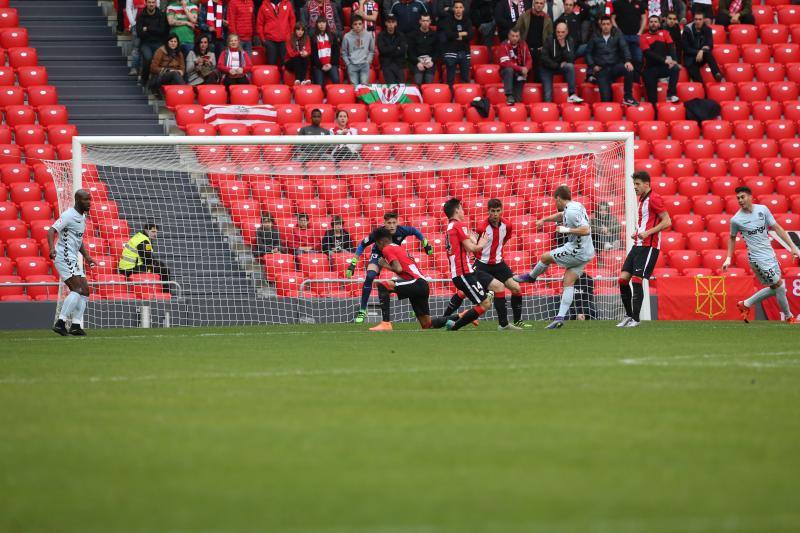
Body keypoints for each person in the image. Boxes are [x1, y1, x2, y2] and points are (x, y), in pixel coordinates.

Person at [514, 185, 596, 330]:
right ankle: (559, 318)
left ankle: (532, 277)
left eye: (554, 200)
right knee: (568, 282)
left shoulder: (570, 212)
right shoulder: (575, 205)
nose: (554, 203)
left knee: (545, 257)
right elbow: (560, 216)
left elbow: (586, 230)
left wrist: (566, 229)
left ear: (558, 198)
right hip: (587, 252)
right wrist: (544, 220)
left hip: (577, 250)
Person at [442, 198, 527, 330]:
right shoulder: (480, 227)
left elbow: (502, 241)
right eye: (493, 211)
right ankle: (445, 319)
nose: (495, 214)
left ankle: (512, 322)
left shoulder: (507, 226)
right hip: (481, 264)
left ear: (502, 211)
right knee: (467, 294)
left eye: (498, 211)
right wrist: (479, 246)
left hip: (498, 263)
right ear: (488, 211)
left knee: (513, 288)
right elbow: (474, 246)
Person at [724, 187, 800, 323]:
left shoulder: (763, 210)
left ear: (750, 197)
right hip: (757, 259)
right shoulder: (736, 220)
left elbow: (777, 228)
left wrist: (792, 247)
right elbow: (732, 238)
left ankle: (745, 304)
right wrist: (728, 258)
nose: (740, 200)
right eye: (738, 198)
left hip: (770, 255)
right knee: (780, 285)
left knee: (775, 288)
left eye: (743, 197)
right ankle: (789, 317)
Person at [344, 212, 433, 324]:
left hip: (394, 255)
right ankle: (362, 310)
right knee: (370, 276)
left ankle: (418, 309)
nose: (391, 225)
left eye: (394, 222)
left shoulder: (402, 230)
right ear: (384, 223)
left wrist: (426, 243)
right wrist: (353, 263)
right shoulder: (379, 233)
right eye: (389, 223)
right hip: (378, 255)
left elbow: (416, 231)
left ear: (397, 222)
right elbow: (362, 244)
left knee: (410, 278)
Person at [616, 172, 671, 328]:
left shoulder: (655, 198)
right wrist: (638, 232)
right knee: (622, 279)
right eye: (634, 184)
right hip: (638, 244)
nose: (635, 187)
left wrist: (648, 232)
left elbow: (667, 221)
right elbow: (646, 222)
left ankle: (636, 319)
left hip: (649, 246)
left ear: (647, 184)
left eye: (638, 184)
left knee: (636, 279)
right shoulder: (642, 200)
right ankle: (628, 315)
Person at [368, 227, 442, 331]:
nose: (377, 246)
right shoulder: (398, 247)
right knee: (427, 325)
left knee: (383, 285)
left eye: (376, 243)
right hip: (422, 284)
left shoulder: (387, 248)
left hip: (416, 283)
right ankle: (461, 317)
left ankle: (385, 323)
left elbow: (398, 269)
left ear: (381, 241)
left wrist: (385, 264)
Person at [48, 190, 95, 336]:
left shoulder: (82, 217)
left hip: (73, 257)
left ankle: (75, 325)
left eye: (89, 199)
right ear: (77, 200)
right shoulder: (68, 215)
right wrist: (51, 249)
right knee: (77, 289)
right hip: (63, 256)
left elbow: (78, 240)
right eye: (85, 200)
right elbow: (51, 230)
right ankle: (60, 323)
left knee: (85, 291)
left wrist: (86, 256)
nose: (88, 202)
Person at [585, 16, 638, 105]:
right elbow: (588, 53)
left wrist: (628, 61)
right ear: (600, 25)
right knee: (606, 100)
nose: (606, 26)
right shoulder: (594, 36)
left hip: (614, 67)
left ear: (611, 25)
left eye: (608, 24)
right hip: (601, 70)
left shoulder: (617, 34)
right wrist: (593, 66)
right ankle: (593, 78)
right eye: (604, 24)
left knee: (629, 69)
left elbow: (625, 48)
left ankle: (628, 97)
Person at [118, 223, 173, 294]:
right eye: (153, 232)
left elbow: (148, 258)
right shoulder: (144, 241)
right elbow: (147, 260)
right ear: (146, 230)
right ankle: (166, 293)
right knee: (164, 271)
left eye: (156, 232)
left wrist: (157, 263)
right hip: (130, 269)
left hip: (126, 267)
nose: (155, 234)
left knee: (160, 265)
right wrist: (156, 264)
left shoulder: (139, 236)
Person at [641, 15, 680, 106]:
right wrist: (664, 60)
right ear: (648, 24)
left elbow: (671, 47)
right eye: (651, 22)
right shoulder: (643, 37)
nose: (653, 24)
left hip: (662, 68)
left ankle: (671, 94)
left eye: (655, 22)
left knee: (675, 68)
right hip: (649, 70)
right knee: (652, 100)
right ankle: (654, 116)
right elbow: (648, 53)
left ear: (659, 24)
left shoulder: (665, 33)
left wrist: (674, 60)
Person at [540, 22, 584, 103]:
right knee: (548, 95)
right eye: (558, 32)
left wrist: (563, 45)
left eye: (562, 32)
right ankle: (548, 111)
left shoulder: (570, 40)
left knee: (570, 66)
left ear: (567, 32)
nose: (560, 34)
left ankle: (571, 95)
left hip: (560, 66)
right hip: (547, 68)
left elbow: (571, 59)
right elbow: (544, 58)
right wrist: (557, 65)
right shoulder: (549, 39)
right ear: (555, 31)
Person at [513, 0, 554, 83]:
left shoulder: (547, 19)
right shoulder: (524, 16)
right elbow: (516, 31)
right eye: (537, 3)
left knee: (539, 77)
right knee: (522, 77)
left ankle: (535, 95)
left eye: (541, 3)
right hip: (525, 50)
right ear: (533, 4)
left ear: (544, 5)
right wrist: (520, 46)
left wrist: (545, 47)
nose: (539, 5)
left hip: (540, 51)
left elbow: (551, 37)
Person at [681, 11, 722, 82]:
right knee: (699, 83)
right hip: (690, 59)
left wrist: (702, 51)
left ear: (703, 20)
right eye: (696, 19)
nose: (698, 21)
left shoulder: (707, 30)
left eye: (700, 19)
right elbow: (686, 49)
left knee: (708, 53)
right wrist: (699, 51)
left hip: (702, 56)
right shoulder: (687, 30)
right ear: (693, 20)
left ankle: (717, 74)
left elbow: (710, 45)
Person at [136, 0, 169, 86]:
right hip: (145, 43)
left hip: (159, 43)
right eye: (149, 2)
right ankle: (144, 80)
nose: (151, 4)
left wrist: (148, 29)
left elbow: (162, 31)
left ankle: (156, 83)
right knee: (148, 58)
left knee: (159, 60)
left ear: (155, 3)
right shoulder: (141, 16)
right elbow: (139, 33)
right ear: (146, 3)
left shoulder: (161, 15)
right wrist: (155, 30)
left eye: (153, 2)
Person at [441, 0, 473, 87]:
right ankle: (450, 98)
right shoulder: (448, 20)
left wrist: (455, 35)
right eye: (456, 7)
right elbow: (448, 35)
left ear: (463, 9)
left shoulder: (467, 21)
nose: (458, 9)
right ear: (453, 9)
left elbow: (470, 35)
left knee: (465, 79)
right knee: (450, 80)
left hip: (465, 52)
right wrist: (463, 33)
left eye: (460, 7)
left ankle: (464, 98)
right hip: (451, 52)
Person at [499, 28, 533, 105]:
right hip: (507, 73)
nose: (515, 38)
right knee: (509, 70)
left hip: (520, 74)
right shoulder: (503, 45)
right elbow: (505, 63)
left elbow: (529, 60)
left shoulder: (523, 44)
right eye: (513, 36)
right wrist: (521, 69)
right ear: (508, 36)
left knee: (518, 100)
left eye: (517, 36)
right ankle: (509, 95)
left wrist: (526, 69)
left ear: (519, 37)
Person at [256, 0, 296, 65]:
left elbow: (292, 20)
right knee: (271, 63)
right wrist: (263, 39)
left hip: (285, 39)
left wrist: (291, 35)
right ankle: (273, 75)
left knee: (285, 63)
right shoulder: (264, 6)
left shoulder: (288, 4)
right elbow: (259, 24)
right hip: (270, 40)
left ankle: (283, 75)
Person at [611, 0, 645, 71]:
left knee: (638, 58)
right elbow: (612, 18)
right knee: (622, 58)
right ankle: (624, 77)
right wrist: (619, 32)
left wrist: (640, 31)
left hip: (636, 36)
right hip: (622, 36)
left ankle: (636, 78)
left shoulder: (639, 3)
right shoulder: (617, 3)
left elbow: (644, 18)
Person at [342, 16, 375, 85]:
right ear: (352, 25)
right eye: (355, 24)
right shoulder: (347, 36)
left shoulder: (369, 35)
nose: (358, 26)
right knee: (355, 87)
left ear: (363, 24)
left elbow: (372, 50)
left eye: (360, 24)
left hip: (364, 64)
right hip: (352, 65)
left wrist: (368, 61)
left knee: (364, 85)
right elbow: (343, 52)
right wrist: (348, 64)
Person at [407, 14, 438, 84]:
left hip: (430, 61)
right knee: (418, 80)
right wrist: (417, 62)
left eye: (427, 21)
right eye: (423, 21)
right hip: (417, 61)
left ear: (430, 21)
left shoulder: (434, 35)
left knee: (429, 80)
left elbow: (437, 51)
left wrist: (432, 60)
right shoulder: (413, 35)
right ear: (420, 21)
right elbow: (410, 52)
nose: (425, 23)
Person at [377, 15, 408, 84]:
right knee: (392, 85)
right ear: (386, 23)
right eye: (389, 22)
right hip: (386, 63)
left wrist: (389, 49)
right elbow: (382, 51)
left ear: (396, 23)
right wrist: (396, 47)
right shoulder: (381, 35)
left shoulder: (401, 35)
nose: (391, 24)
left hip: (399, 63)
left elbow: (402, 50)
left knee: (401, 85)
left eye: (393, 22)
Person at [310, 18, 341, 85]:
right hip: (319, 65)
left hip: (331, 64)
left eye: (323, 22)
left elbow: (336, 52)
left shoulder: (332, 36)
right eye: (319, 23)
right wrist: (321, 66)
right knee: (319, 84)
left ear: (326, 24)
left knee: (336, 79)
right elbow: (313, 55)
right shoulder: (313, 37)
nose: (321, 25)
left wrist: (330, 64)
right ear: (317, 25)